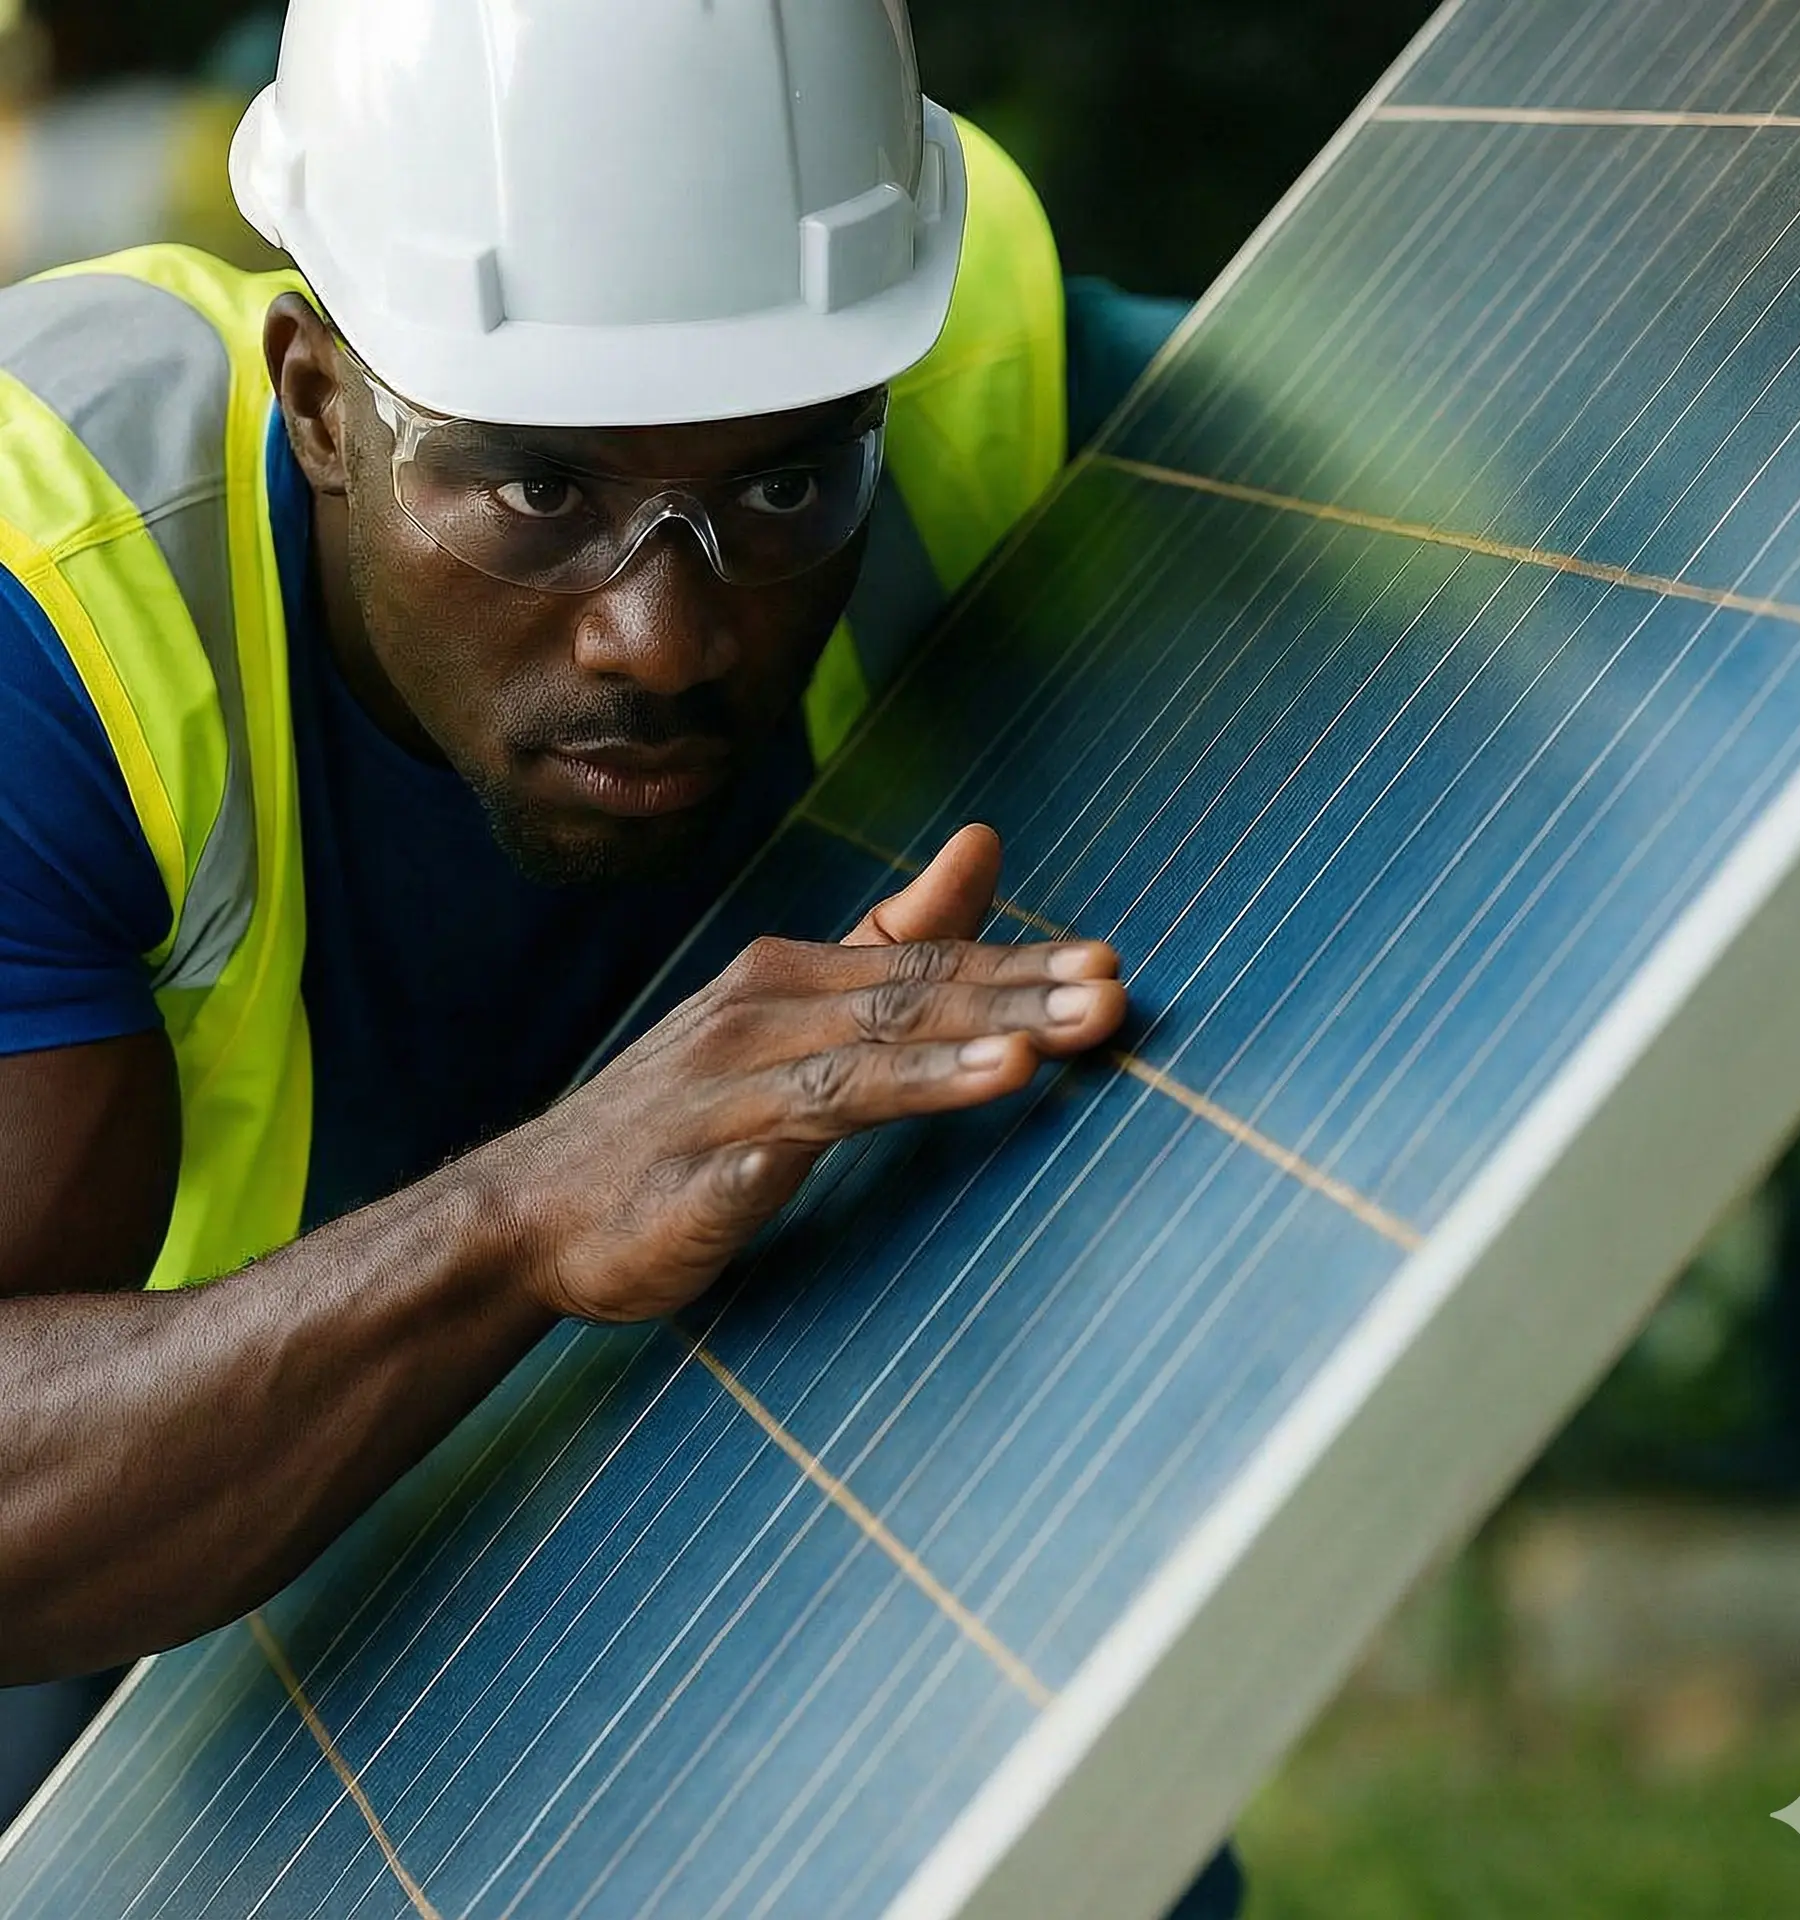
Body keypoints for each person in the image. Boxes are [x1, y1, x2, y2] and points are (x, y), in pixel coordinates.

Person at [0, 0, 1239, 1909]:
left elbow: (1510, 600)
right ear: (320, 398)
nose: (664, 639)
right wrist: (525, 1214)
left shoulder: (961, 337)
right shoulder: (50, 607)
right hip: (137, 1648)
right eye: (537, 486)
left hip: (749, 1534)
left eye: (779, 487)